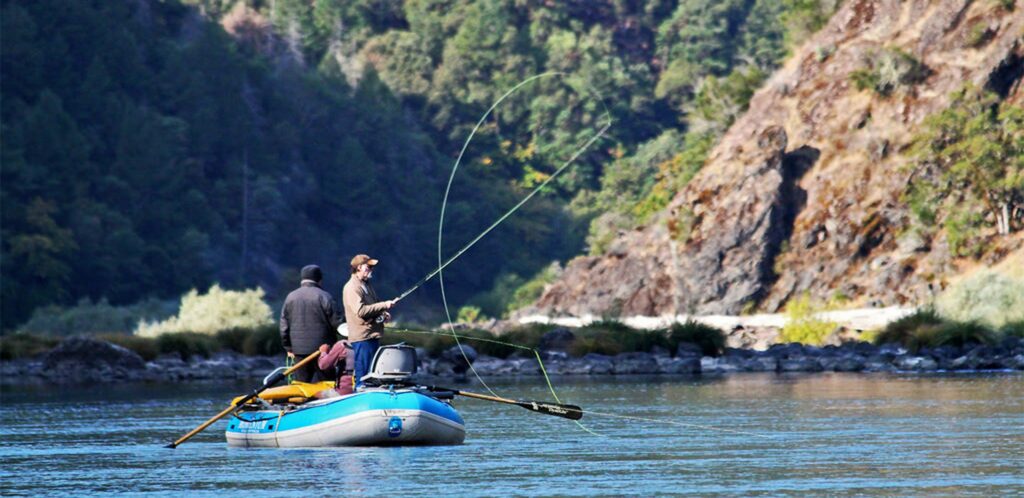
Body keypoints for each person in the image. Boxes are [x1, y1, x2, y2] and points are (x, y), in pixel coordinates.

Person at [280, 264, 343, 383]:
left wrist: (288, 347)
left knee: (301, 385)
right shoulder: (325, 296)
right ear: (319, 279)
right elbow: (337, 323)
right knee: (326, 384)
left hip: (299, 351)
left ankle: (303, 401)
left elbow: (284, 326)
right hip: (323, 350)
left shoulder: (290, 297)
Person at [342, 254, 397, 389]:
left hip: (372, 335)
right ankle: (360, 393)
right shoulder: (352, 287)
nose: (371, 269)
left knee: (372, 373)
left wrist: (383, 313)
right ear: (359, 267)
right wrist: (384, 305)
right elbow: (360, 311)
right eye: (368, 267)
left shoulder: (367, 285)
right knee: (363, 375)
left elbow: (374, 305)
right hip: (362, 337)